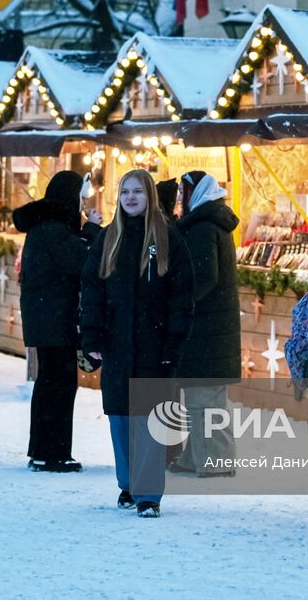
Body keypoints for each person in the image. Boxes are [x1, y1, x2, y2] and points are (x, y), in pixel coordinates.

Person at [80, 169, 194, 518]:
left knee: (147, 419)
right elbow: (92, 289)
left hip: (153, 343)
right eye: (125, 191)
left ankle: (148, 494)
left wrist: (173, 342)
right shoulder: (107, 238)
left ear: (149, 197)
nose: (131, 198)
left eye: (138, 192)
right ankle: (128, 485)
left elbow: (181, 296)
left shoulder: (168, 238)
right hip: (116, 343)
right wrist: (92, 335)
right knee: (120, 418)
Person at [14, 170, 100, 473]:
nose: (83, 204)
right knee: (59, 385)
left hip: (48, 316)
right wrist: (92, 230)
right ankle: (52, 453)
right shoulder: (53, 229)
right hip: (54, 318)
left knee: (52, 383)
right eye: (81, 198)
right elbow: (82, 261)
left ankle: (44, 450)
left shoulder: (47, 225)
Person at [172, 171, 241, 477]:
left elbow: (204, 277)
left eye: (184, 193)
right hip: (210, 329)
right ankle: (195, 455)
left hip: (207, 330)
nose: (180, 200)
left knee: (205, 400)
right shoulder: (208, 223)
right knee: (202, 397)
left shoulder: (202, 228)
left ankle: (217, 460)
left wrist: (180, 300)